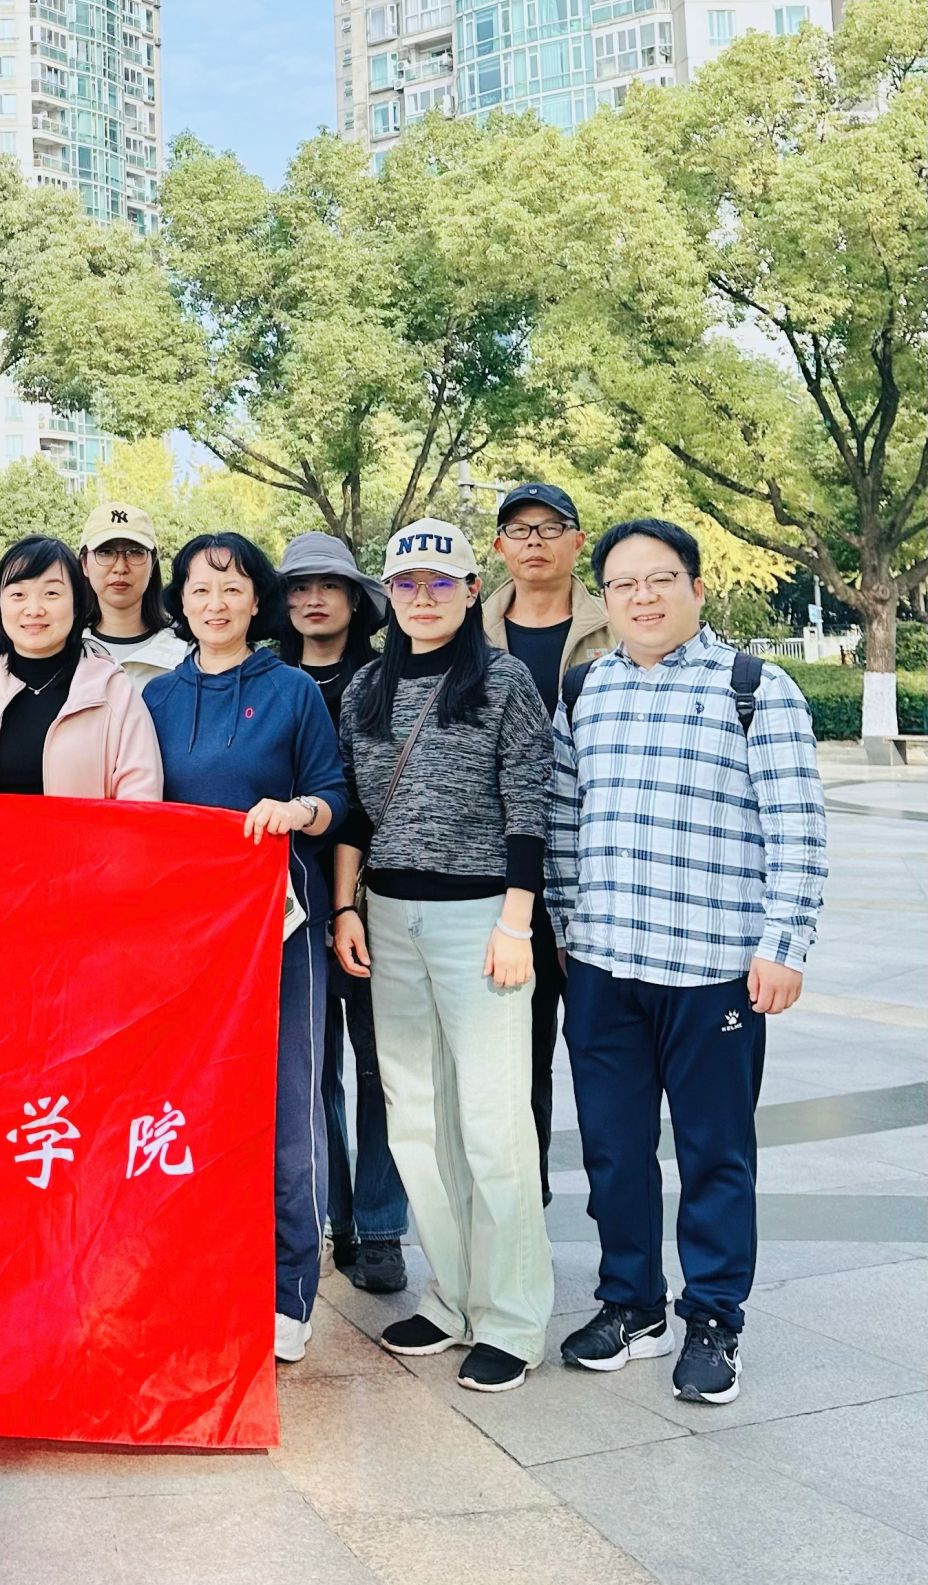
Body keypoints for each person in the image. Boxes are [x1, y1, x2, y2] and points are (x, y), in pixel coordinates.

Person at [549, 519, 826, 1408]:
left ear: (696, 588)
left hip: (715, 972)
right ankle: (632, 1305)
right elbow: (561, 821)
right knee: (614, 1150)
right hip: (604, 966)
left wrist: (782, 945)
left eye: (660, 578)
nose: (643, 596)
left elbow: (797, 829)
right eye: (623, 583)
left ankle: (713, 1319)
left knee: (715, 1153)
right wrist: (564, 925)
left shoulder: (756, 689)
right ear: (606, 599)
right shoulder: (584, 689)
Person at [329, 518, 555, 1394]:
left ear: (470, 589)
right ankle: (453, 1295)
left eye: (440, 581)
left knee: (493, 1120)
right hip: (389, 915)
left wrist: (516, 921)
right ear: (388, 594)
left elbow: (528, 805)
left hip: (481, 916)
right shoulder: (365, 687)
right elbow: (355, 809)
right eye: (407, 583)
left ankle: (512, 1317)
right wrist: (346, 907)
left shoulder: (503, 680)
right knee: (417, 1118)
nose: (423, 597)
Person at [144, 532, 345, 1366]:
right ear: (180, 602)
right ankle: (204, 1276)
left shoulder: (292, 690)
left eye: (231, 588)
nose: (215, 603)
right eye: (199, 589)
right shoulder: (155, 696)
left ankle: (290, 1290)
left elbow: (334, 796)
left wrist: (298, 811)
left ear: (257, 599)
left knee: (289, 1110)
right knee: (193, 1105)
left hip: (283, 928)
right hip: (187, 941)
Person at [275, 531, 407, 1298]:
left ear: (357, 600)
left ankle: (383, 1226)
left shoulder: (387, 678)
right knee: (310, 1066)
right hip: (288, 903)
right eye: (298, 587)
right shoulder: (266, 678)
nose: (313, 599)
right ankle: (334, 1216)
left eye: (329, 585)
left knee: (378, 1064)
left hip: (376, 896)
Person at [482, 482, 615, 1202]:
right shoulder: (467, 630)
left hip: (595, 876)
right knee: (516, 1059)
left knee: (604, 1058)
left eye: (550, 527)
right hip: (503, 880)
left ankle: (615, 1210)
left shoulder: (617, 625)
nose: (534, 541)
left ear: (577, 540)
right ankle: (524, 1209)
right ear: (499, 545)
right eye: (519, 529)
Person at [0, 535, 162, 797]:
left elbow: (140, 799)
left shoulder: (115, 694)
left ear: (77, 603)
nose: (34, 609)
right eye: (18, 594)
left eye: (51, 593)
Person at [78, 502, 189, 685]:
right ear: (84, 564)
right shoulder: (63, 650)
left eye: (135, 552)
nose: (120, 567)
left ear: (152, 563)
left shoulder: (187, 652)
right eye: (105, 552)